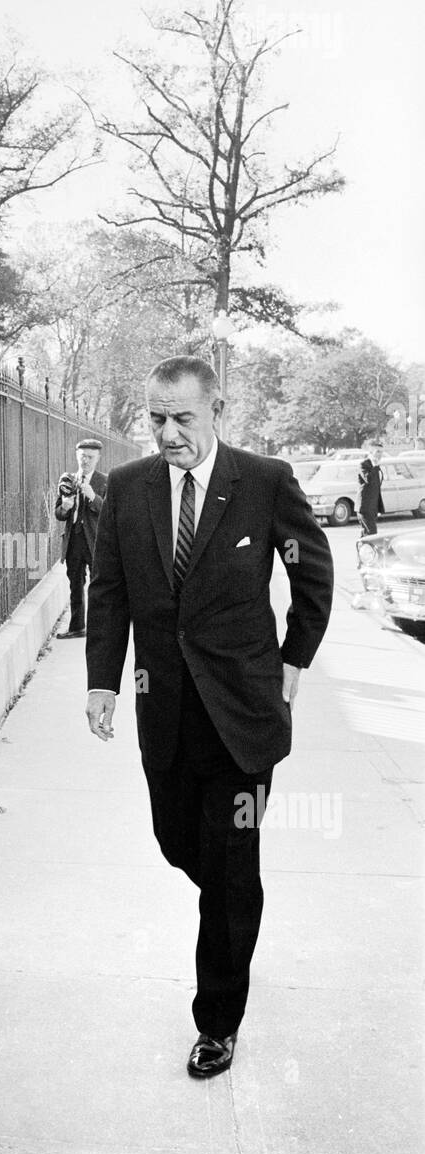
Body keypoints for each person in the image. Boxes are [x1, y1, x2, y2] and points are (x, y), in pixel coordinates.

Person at [85, 357, 333, 1078]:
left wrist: (294, 659)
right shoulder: (127, 490)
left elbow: (311, 571)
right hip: (162, 708)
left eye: (181, 418)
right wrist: (102, 681)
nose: (166, 433)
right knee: (175, 842)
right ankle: (237, 906)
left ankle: (216, 1020)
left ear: (215, 409)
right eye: (154, 418)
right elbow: (108, 594)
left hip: (243, 714)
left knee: (227, 866)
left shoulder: (263, 481)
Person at [55, 439, 107, 639]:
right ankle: (77, 627)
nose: (85, 461)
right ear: (77, 456)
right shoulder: (68, 479)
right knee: (75, 585)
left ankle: (100, 629)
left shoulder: (105, 481)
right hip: (74, 542)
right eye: (82, 456)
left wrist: (93, 496)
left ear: (97, 458)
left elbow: (109, 513)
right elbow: (58, 513)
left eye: (90, 457)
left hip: (95, 543)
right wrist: (65, 508)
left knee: (99, 588)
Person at [356, 442, 384, 536]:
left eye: (381, 452)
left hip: (373, 507)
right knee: (372, 534)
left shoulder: (376, 466)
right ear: (371, 452)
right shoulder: (364, 464)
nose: (380, 454)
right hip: (365, 507)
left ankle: (362, 550)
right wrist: (375, 466)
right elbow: (368, 479)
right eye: (378, 452)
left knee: (366, 534)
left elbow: (376, 487)